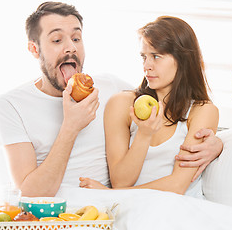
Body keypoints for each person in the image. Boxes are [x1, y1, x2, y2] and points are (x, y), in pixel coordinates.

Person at [0, 2, 223, 198]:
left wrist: (218, 144)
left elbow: (174, 106)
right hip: (58, 209)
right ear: (34, 49)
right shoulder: (11, 105)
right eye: (56, 40)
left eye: (76, 38)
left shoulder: (110, 88)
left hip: (107, 205)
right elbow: (29, 194)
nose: (70, 47)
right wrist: (71, 126)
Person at [79, 16, 218, 199]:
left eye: (156, 56)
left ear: (183, 59)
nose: (147, 66)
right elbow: (121, 181)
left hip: (179, 208)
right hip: (131, 207)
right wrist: (144, 134)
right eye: (144, 57)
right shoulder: (122, 103)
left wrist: (109, 195)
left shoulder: (202, 110)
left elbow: (177, 186)